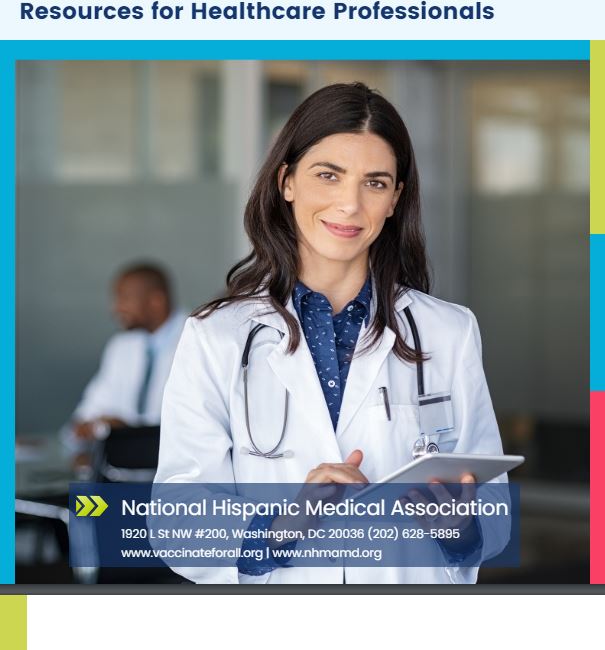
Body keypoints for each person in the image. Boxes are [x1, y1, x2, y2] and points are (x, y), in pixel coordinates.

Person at [155, 83, 506, 584]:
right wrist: (283, 525)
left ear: (394, 200)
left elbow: (494, 512)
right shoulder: (218, 337)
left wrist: (459, 527)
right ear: (287, 181)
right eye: (329, 175)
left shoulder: (448, 332)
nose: (350, 204)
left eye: (376, 183)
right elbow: (175, 521)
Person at [66, 262, 186, 444]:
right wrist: (91, 425)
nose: (116, 309)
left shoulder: (198, 342)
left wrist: (126, 430)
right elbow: (87, 414)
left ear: (156, 301)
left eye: (125, 299)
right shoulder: (121, 346)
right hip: (121, 466)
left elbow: (190, 425)